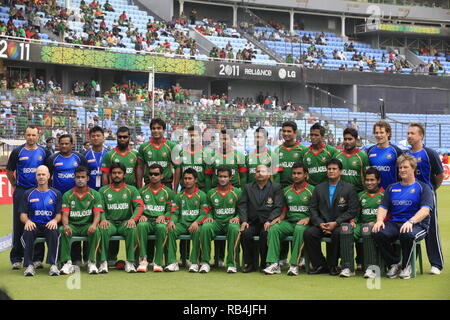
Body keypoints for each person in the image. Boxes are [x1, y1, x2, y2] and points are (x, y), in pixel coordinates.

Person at [372, 154, 434, 279]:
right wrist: (379, 220)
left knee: (407, 234)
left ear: (413, 169)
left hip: (418, 224)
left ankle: (407, 266)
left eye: (405, 167)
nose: (402, 170)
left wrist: (411, 221)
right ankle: (394, 263)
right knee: (377, 232)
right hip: (395, 223)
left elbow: (425, 210)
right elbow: (383, 207)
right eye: (400, 167)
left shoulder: (423, 187)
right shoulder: (392, 188)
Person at [304, 158, 359, 276]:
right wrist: (319, 223)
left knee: (338, 233)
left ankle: (333, 265)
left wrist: (336, 223)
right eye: (329, 169)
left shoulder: (349, 188)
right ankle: (320, 265)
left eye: (334, 169)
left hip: (339, 224)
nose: (331, 171)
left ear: (340, 171)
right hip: (322, 224)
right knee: (309, 233)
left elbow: (352, 210)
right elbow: (312, 209)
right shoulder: (319, 188)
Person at [6, 126, 51, 270]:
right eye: (28, 135)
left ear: (38, 136)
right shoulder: (17, 151)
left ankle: (37, 258)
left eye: (33, 135)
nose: (31, 137)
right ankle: (16, 258)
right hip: (21, 191)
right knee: (19, 224)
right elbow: (9, 171)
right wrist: (16, 186)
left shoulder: (44, 152)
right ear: (24, 135)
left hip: (39, 192)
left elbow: (49, 171)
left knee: (39, 221)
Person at [406, 123, 444, 275]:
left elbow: (440, 175)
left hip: (427, 196)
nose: (409, 136)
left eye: (412, 133)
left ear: (421, 136)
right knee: (411, 227)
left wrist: (431, 190)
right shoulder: (406, 155)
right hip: (409, 197)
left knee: (431, 228)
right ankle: (409, 262)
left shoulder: (430, 154)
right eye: (408, 133)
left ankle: (436, 264)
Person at [264, 162, 314, 276]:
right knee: (274, 228)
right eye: (294, 173)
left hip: (305, 224)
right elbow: (284, 208)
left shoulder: (312, 190)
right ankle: (274, 264)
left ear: (305, 175)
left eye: (299, 173)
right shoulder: (286, 190)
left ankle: (294, 265)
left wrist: (309, 218)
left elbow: (317, 210)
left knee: (299, 229)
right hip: (289, 223)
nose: (296, 176)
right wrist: (279, 218)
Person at [98, 162, 144, 273]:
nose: (116, 175)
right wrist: (103, 219)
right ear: (110, 175)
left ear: (124, 175)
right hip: (110, 223)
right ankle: (103, 262)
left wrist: (133, 219)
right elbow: (100, 208)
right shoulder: (103, 190)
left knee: (132, 229)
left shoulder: (131, 189)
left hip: (125, 222)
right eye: (114, 173)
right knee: (102, 229)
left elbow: (140, 205)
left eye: (119, 173)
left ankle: (130, 262)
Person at [238, 164, 284, 273]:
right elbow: (242, 205)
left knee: (265, 234)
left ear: (268, 174)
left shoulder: (276, 187)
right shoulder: (248, 187)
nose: (260, 173)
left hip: (268, 221)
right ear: (255, 174)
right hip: (252, 222)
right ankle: (250, 264)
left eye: (263, 171)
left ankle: (265, 263)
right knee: (245, 233)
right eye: (257, 171)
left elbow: (278, 207)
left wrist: (270, 220)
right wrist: (244, 221)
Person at [340, 167, 384, 278]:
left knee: (367, 230)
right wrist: (353, 221)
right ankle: (347, 268)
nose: (369, 183)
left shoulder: (384, 195)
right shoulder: (360, 195)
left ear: (378, 180)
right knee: (345, 229)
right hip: (361, 225)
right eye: (367, 180)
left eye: (372, 180)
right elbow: (355, 212)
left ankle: (371, 269)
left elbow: (388, 214)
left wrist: (376, 222)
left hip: (378, 226)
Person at [59, 166, 103, 275]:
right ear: (74, 178)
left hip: (86, 225)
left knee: (96, 230)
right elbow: (65, 214)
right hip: (73, 225)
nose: (80, 179)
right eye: (78, 177)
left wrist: (93, 225)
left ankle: (91, 262)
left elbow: (97, 214)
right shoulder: (67, 195)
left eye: (83, 177)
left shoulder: (95, 194)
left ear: (88, 178)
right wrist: (66, 225)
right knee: (62, 230)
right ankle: (67, 262)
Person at [20, 165, 62, 277]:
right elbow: (23, 215)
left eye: (43, 174)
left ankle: (53, 264)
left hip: (48, 225)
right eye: (39, 174)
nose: (41, 177)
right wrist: (27, 221)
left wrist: (54, 221)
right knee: (27, 233)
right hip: (34, 225)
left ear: (49, 176)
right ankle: (29, 265)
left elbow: (59, 215)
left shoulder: (56, 194)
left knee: (55, 232)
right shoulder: (28, 194)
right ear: (36, 177)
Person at [164, 168, 209, 272]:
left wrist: (196, 222)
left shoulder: (202, 195)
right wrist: (172, 221)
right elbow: (175, 213)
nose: (187, 181)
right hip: (182, 224)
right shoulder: (179, 196)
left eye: (190, 178)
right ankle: (172, 262)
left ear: (195, 180)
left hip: (195, 224)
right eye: (185, 179)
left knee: (198, 231)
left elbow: (204, 214)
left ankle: (194, 263)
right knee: (170, 229)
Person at [199, 166, 242, 273]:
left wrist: (237, 217)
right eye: (220, 176)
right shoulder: (211, 193)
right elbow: (207, 209)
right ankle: (205, 262)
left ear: (230, 177)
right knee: (205, 227)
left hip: (230, 222)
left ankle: (231, 264)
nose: (222, 179)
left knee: (234, 228)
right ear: (217, 177)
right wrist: (209, 216)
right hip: (216, 222)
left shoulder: (238, 192)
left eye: (225, 176)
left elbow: (242, 210)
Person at [137, 164, 175, 272]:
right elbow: (137, 207)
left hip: (160, 221)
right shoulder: (142, 191)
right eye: (151, 174)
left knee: (162, 228)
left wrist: (164, 216)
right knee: (141, 225)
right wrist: (141, 215)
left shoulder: (168, 192)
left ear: (162, 176)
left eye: (156, 174)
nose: (153, 176)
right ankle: (144, 259)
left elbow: (170, 210)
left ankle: (158, 261)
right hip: (147, 220)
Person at [137, 118, 177, 189]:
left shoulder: (172, 146)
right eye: (153, 128)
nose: (156, 131)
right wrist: (139, 187)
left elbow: (177, 168)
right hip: (148, 185)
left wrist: (175, 189)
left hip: (166, 184)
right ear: (151, 130)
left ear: (164, 130)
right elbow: (140, 168)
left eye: (159, 128)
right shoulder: (143, 147)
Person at [173, 125, 212, 192]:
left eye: (195, 135)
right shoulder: (181, 153)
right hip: (185, 191)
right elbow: (178, 174)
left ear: (200, 137)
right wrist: (175, 190)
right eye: (190, 135)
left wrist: (207, 192)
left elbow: (208, 177)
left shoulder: (206, 154)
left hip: (201, 191)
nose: (192, 138)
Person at [366, 121, 403, 190]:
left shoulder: (396, 151)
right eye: (376, 133)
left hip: (391, 191)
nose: (379, 135)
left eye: (381, 132)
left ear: (388, 133)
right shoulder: (370, 151)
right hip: (375, 193)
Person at [274, 121, 307, 188]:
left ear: (295, 133)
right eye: (284, 131)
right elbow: (275, 173)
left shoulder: (303, 150)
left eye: (289, 131)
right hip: (281, 187)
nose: (286, 133)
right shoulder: (277, 150)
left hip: (298, 187)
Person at [336, 127, 369, 193]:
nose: (347, 142)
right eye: (345, 139)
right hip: (340, 193)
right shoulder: (337, 156)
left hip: (357, 193)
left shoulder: (363, 156)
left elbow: (367, 177)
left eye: (350, 139)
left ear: (356, 140)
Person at [84, 126, 108, 191]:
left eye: (98, 136)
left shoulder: (109, 154)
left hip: (106, 191)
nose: (95, 138)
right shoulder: (85, 155)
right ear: (90, 139)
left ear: (103, 138)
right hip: (89, 191)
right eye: (93, 136)